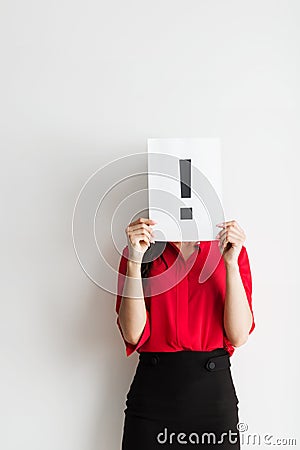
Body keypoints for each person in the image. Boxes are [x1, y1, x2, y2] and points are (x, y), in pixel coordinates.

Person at [116, 217, 255, 449]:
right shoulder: (139, 249)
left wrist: (230, 263)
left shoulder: (230, 249)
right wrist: (134, 260)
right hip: (152, 399)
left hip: (213, 402)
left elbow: (239, 335)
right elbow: (132, 334)